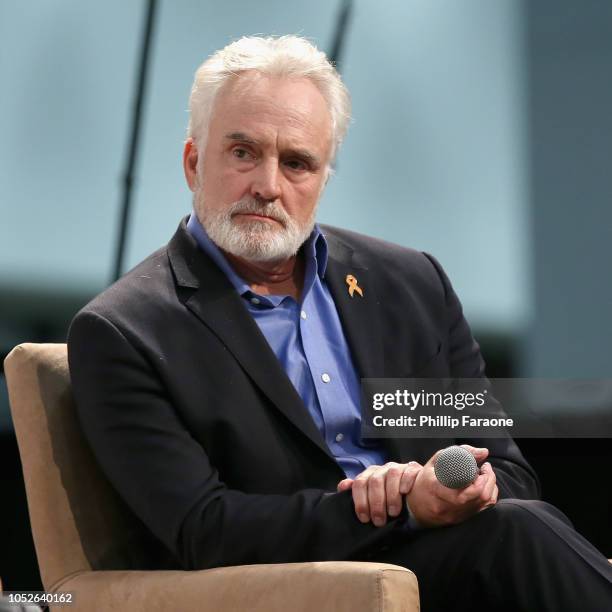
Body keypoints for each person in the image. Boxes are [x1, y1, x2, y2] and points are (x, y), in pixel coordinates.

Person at [68, 35, 612, 611]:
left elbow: (508, 470)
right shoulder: (126, 331)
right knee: (521, 538)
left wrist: (464, 488)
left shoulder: (411, 286)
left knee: (522, 529)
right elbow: (203, 527)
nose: (268, 186)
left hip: (462, 563)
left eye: (297, 163)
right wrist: (392, 507)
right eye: (243, 152)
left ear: (324, 179)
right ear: (194, 162)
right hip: (304, 590)